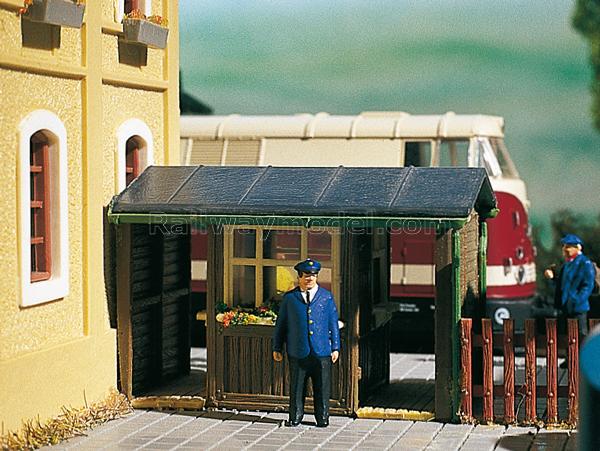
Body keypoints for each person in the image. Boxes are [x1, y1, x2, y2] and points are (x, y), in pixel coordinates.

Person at [272, 258, 340, 427]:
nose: (310, 279)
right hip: (298, 349)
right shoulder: (290, 298)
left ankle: (322, 417)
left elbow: (333, 323)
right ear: (299, 277)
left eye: (313, 276)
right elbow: (281, 325)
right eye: (306, 276)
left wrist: (335, 347)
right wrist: (277, 347)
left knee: (322, 386)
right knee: (297, 385)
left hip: (322, 350)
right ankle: (295, 416)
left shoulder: (326, 297)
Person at [544, 233, 596, 336]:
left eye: (568, 246)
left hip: (578, 308)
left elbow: (588, 285)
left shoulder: (584, 263)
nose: (564, 249)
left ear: (578, 248)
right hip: (565, 307)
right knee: (567, 336)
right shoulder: (567, 265)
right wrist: (552, 278)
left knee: (580, 334)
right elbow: (562, 284)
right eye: (564, 246)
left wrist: (576, 300)